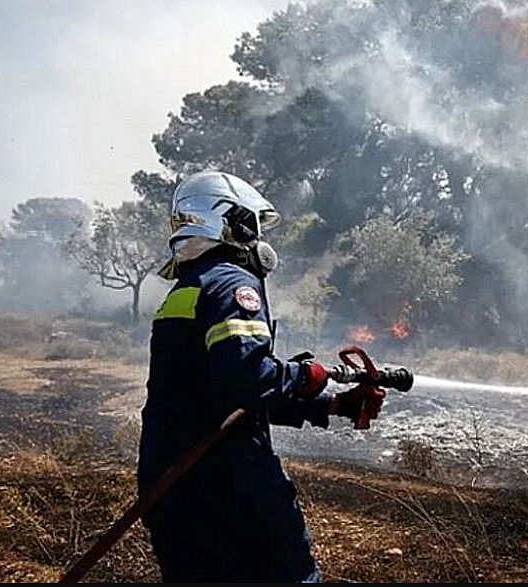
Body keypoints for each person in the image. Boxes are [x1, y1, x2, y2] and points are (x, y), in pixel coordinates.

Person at [137, 170, 381, 583]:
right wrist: (306, 375)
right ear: (233, 222)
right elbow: (246, 380)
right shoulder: (233, 283)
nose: (258, 239)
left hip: (170, 484)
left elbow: (224, 393)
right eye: (252, 224)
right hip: (229, 484)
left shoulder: (188, 289)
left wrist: (334, 404)